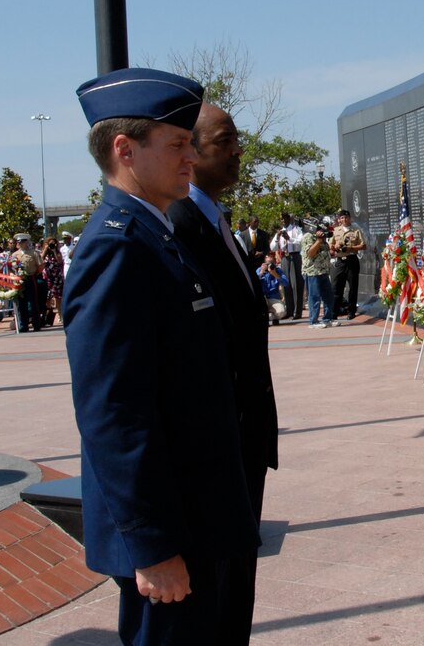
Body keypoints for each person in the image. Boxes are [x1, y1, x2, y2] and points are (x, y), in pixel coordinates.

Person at [66, 67, 258, 644]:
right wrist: (151, 546)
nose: (190, 158)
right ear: (125, 150)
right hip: (172, 534)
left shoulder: (157, 236)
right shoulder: (116, 249)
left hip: (201, 516)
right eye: (176, 145)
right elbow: (113, 413)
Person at [166, 102, 279, 642]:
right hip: (217, 447)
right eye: (225, 139)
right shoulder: (180, 226)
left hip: (243, 442)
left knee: (237, 597)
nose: (238, 150)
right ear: (190, 151)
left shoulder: (215, 217)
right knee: (215, 604)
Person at [329, 209, 365, 319]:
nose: (344, 219)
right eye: (341, 218)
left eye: (346, 217)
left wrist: (350, 248)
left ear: (350, 218)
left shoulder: (356, 230)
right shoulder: (336, 230)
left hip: (352, 259)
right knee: (336, 287)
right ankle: (334, 312)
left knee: (353, 287)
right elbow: (330, 247)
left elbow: (363, 246)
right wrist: (335, 247)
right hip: (340, 261)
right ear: (339, 219)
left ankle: (351, 311)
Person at [269, 212, 303, 319]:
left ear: (289, 219)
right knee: (286, 283)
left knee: (296, 284)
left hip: (295, 257)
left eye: (285, 219)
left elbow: (300, 242)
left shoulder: (296, 229)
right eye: (281, 220)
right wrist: (277, 238)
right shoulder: (279, 232)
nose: (283, 221)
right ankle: (289, 310)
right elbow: (273, 248)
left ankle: (297, 311)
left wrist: (289, 238)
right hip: (284, 258)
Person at [302, 224, 335, 328]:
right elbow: (310, 253)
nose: (324, 234)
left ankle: (327, 319)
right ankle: (313, 321)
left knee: (328, 296)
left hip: (324, 271)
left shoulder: (324, 239)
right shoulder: (308, 236)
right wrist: (318, 240)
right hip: (313, 272)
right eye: (323, 231)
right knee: (314, 297)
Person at [9, 233, 43, 332]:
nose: (20, 243)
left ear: (26, 242)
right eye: (19, 242)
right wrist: (14, 277)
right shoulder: (15, 255)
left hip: (30, 277)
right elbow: (10, 267)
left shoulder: (33, 253)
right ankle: (23, 325)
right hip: (19, 280)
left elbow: (40, 266)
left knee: (33, 302)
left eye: (22, 241)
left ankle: (36, 324)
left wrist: (35, 274)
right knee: (21, 302)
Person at [256, 253, 290, 325]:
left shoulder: (278, 271)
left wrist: (274, 274)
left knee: (281, 312)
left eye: (271, 263)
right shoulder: (259, 270)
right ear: (264, 263)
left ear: (274, 263)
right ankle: (265, 317)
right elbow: (254, 283)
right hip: (263, 298)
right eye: (267, 263)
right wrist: (261, 272)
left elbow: (286, 283)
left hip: (274, 298)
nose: (269, 265)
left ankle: (274, 317)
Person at [40, 237, 64, 326]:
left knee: (58, 297)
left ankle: (60, 315)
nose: (51, 245)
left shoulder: (57, 252)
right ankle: (47, 317)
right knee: (47, 298)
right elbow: (40, 259)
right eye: (50, 243)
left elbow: (60, 261)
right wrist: (46, 249)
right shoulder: (45, 253)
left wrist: (54, 250)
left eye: (53, 243)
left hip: (56, 277)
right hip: (47, 277)